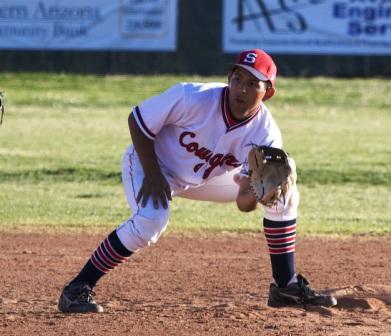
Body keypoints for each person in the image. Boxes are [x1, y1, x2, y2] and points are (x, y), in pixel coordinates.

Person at [58, 49, 337, 313]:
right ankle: (77, 288)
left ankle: (285, 287)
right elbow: (138, 121)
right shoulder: (191, 97)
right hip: (153, 164)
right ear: (229, 78)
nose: (241, 88)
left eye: (253, 83)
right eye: (237, 78)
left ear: (268, 93)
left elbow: (243, 203)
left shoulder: (266, 134)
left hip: (204, 177)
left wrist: (260, 194)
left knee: (285, 181)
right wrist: (153, 174)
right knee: (151, 220)